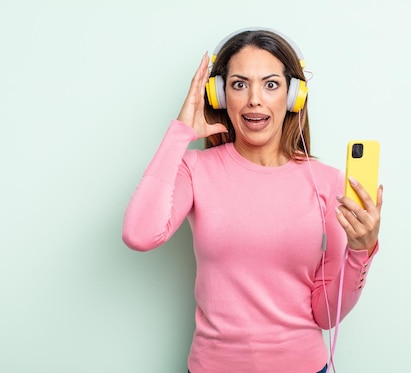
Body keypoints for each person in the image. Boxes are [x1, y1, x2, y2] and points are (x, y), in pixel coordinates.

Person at [122, 27, 383, 373]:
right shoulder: (195, 168)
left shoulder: (327, 182)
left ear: (293, 97)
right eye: (239, 84)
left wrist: (361, 252)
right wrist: (180, 132)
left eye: (271, 84)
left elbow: (325, 313)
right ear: (219, 95)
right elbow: (139, 234)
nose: (254, 99)